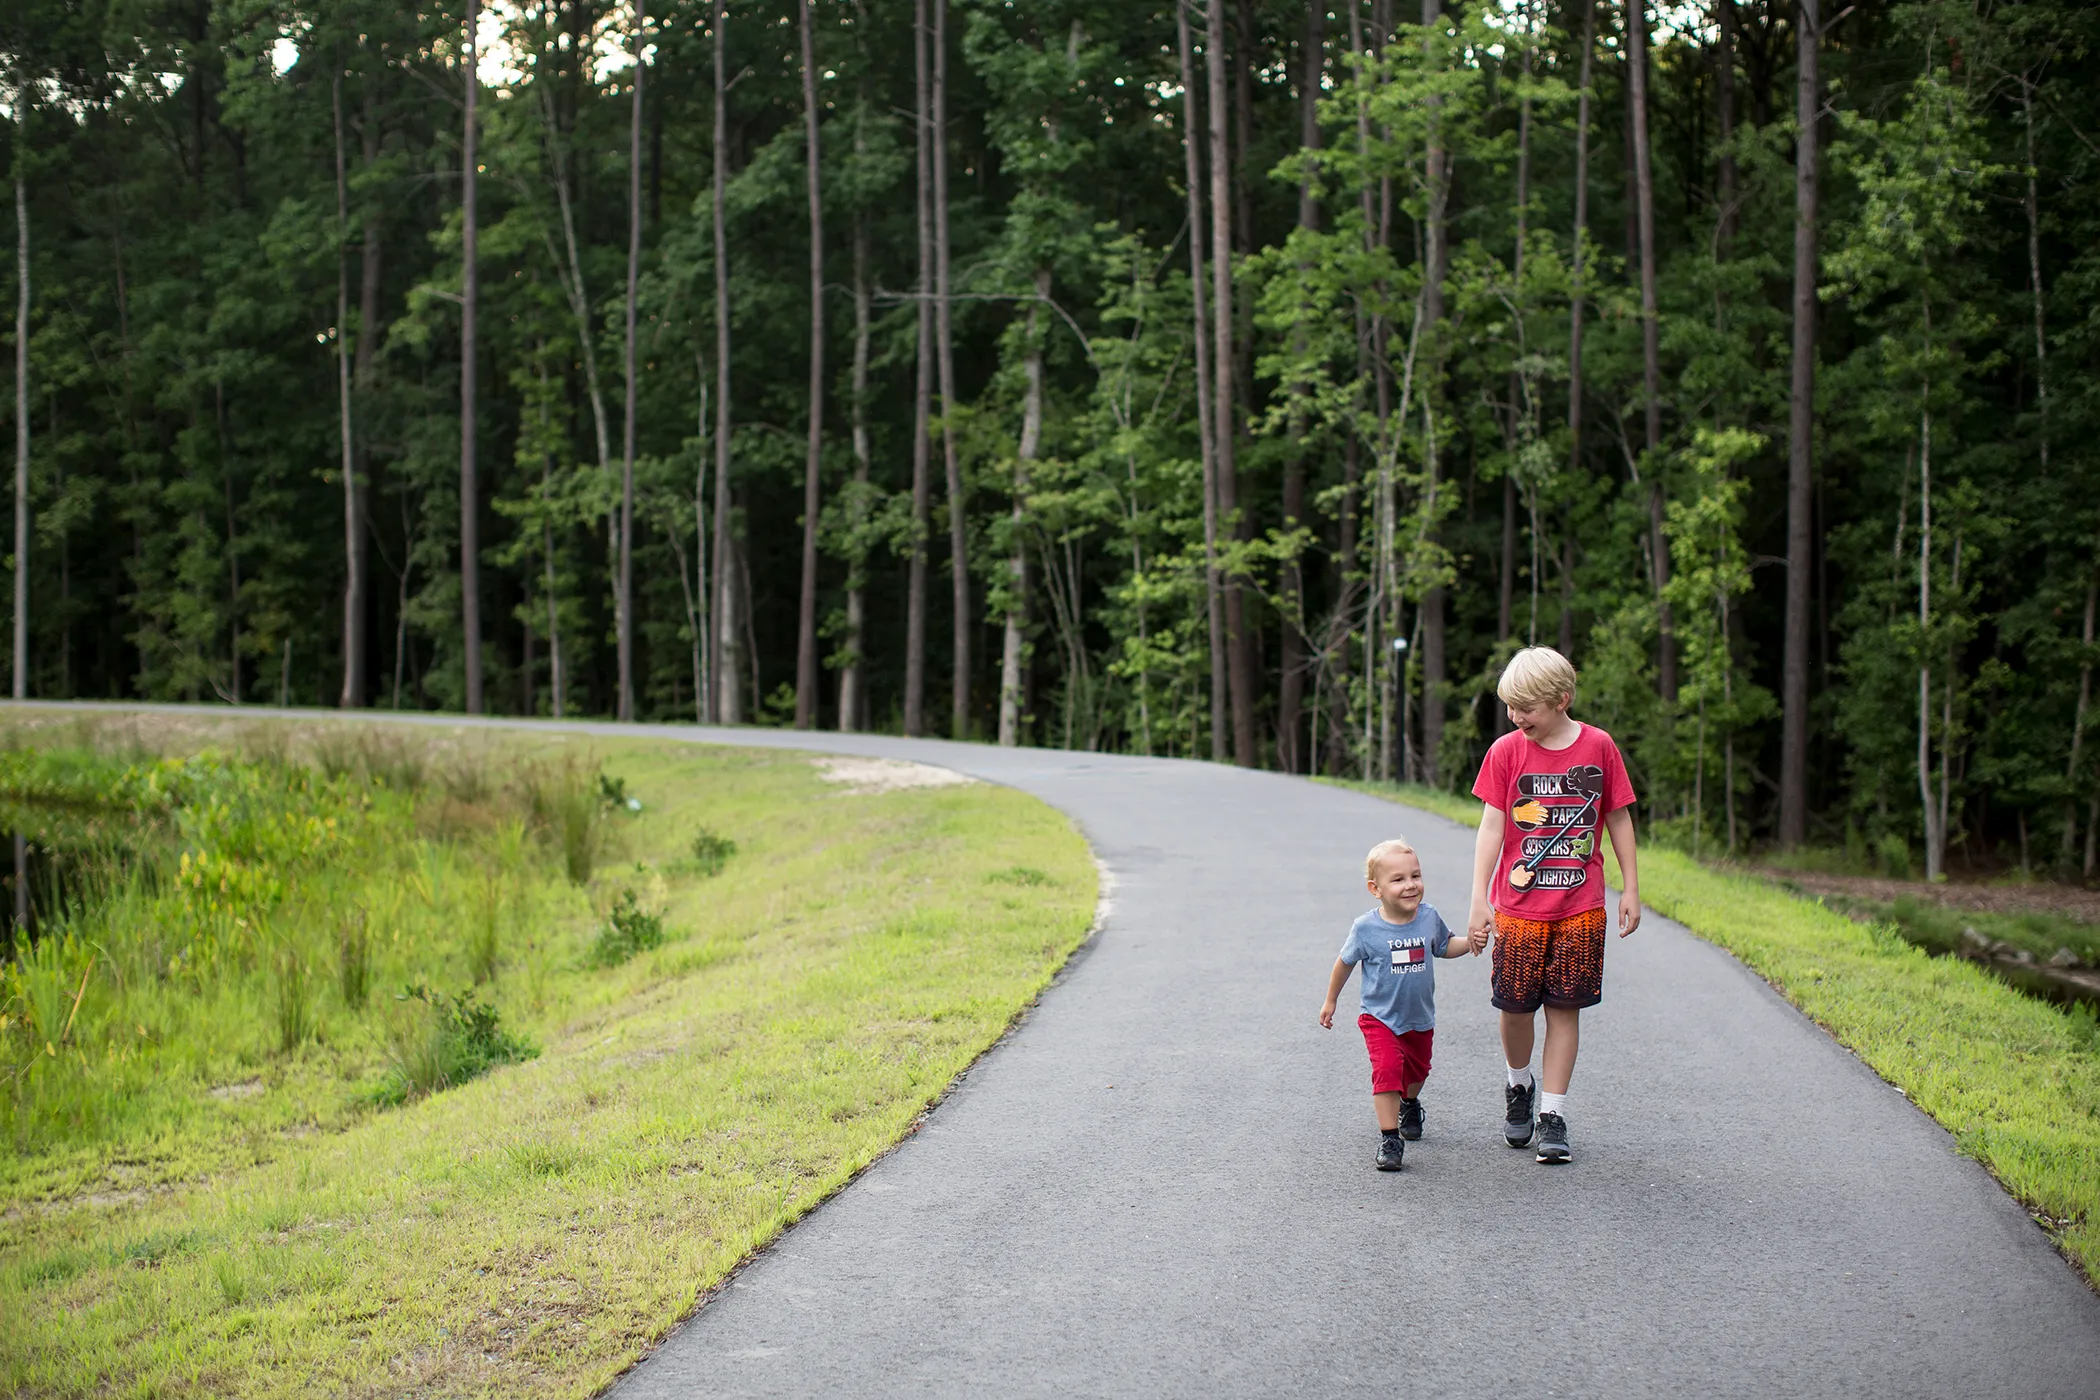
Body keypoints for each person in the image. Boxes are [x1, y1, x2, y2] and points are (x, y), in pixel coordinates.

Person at [1467, 646, 1640, 1164]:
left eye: (1528, 709)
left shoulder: (1599, 747)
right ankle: (1518, 1087)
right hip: (1518, 907)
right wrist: (1479, 897)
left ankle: (1553, 1112)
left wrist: (1631, 887)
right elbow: (1493, 825)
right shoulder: (1506, 751)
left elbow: (1619, 818)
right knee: (1516, 1007)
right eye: (1511, 708)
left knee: (1565, 1008)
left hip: (1580, 905)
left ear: (1562, 700)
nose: (1517, 718)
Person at [1320, 837, 1483, 1171]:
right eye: (1398, 879)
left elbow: (1444, 945)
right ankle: (1390, 1138)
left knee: (1418, 1070)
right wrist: (1331, 1000)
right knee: (1388, 1069)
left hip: (1419, 1017)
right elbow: (1344, 962)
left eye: (1415, 876)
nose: (1410, 885)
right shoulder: (1366, 928)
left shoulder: (1428, 917)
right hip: (1379, 1017)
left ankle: (1409, 1102)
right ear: (1375, 888)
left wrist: (1471, 943)